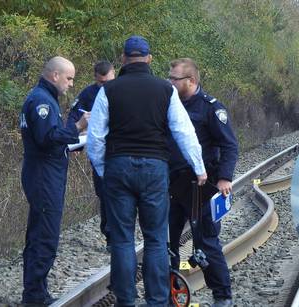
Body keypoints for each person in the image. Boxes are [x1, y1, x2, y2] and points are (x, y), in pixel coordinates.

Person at [87, 36, 207, 306]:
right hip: (154, 169)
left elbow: (95, 139)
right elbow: (183, 131)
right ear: (149, 59)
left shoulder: (108, 90)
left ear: (123, 58)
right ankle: (156, 301)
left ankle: (126, 301)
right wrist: (199, 167)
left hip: (119, 167)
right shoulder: (166, 91)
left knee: (122, 240)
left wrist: (105, 170)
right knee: (155, 238)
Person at [167, 58, 238, 307]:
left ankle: (222, 296)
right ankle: (171, 295)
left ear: (191, 81)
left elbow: (229, 145)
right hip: (172, 184)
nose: (170, 82)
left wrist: (224, 178)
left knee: (206, 242)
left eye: (174, 79)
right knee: (167, 242)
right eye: (169, 77)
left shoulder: (210, 108)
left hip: (201, 186)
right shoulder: (168, 104)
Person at [19, 56, 90, 305]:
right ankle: (35, 295)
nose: (71, 84)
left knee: (40, 230)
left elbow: (49, 141)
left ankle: (35, 290)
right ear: (55, 75)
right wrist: (78, 126)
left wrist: (72, 143)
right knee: (45, 234)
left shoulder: (44, 97)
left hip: (45, 171)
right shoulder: (42, 101)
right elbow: (46, 137)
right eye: (69, 78)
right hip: (43, 175)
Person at [67, 60, 115, 250]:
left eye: (108, 82)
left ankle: (124, 234)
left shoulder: (123, 89)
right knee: (104, 193)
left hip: (122, 150)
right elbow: (73, 118)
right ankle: (111, 236)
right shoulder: (88, 94)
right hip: (100, 154)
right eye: (100, 83)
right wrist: (76, 140)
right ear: (95, 79)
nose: (104, 87)